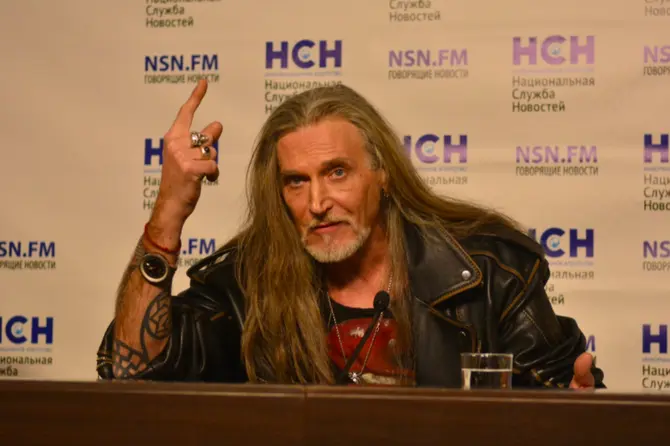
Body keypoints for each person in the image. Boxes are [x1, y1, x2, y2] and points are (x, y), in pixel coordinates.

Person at [97, 79, 604, 388]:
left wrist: (578, 411)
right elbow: (130, 371)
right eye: (296, 182)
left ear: (383, 175)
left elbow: (564, 395)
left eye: (337, 172)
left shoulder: (489, 273)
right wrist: (168, 214)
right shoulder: (245, 285)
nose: (318, 203)